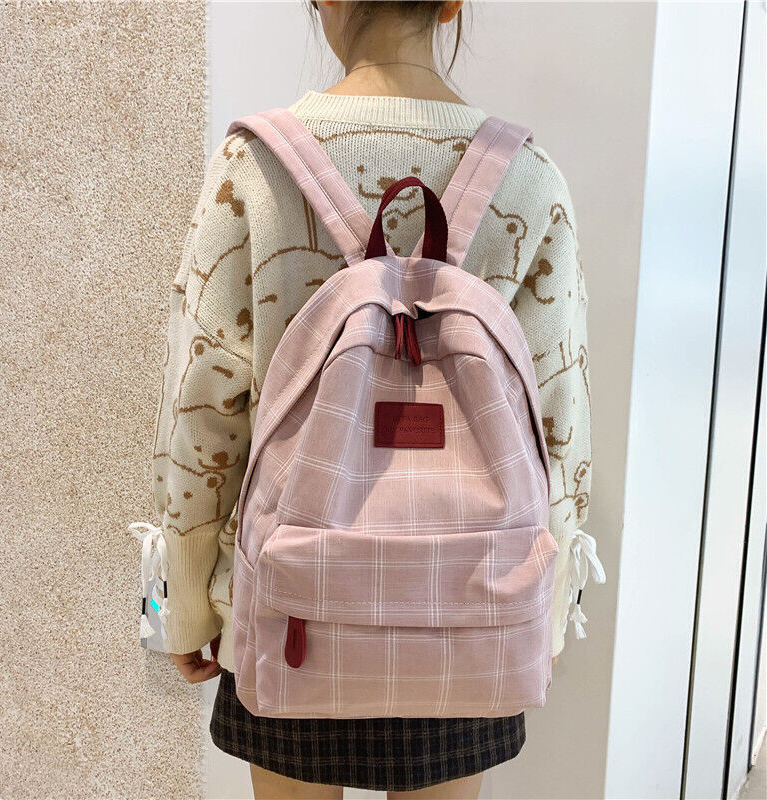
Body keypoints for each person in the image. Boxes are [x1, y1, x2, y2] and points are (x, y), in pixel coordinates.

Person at [145, 2, 597, 797]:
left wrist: (181, 602)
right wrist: (550, 610)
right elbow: (558, 424)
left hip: (294, 605)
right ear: (453, 3)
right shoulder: (530, 178)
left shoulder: (254, 167)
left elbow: (201, 408)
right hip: (472, 605)